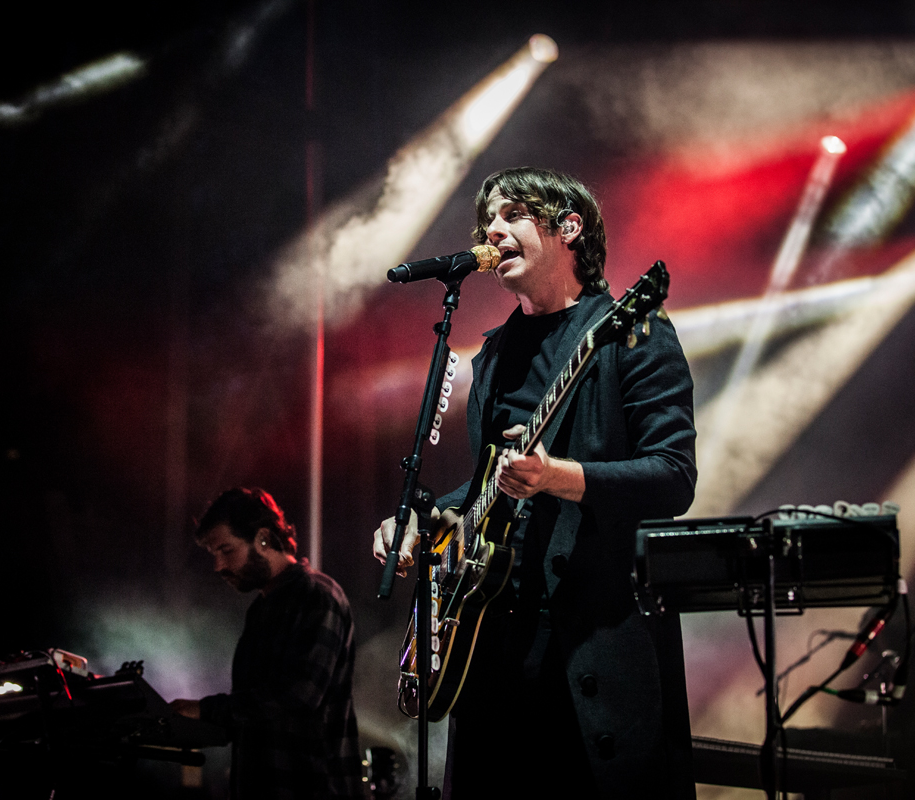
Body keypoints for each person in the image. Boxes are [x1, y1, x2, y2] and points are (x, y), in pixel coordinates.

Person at [373, 167, 698, 798]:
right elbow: (487, 488)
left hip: (589, 645)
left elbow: (672, 478)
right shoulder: (493, 353)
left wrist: (559, 477)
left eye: (513, 214)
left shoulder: (632, 331)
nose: (491, 230)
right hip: (490, 646)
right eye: (486, 220)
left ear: (568, 227)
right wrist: (426, 518)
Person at [173, 487, 366, 799]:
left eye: (226, 550)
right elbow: (257, 712)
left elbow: (299, 698)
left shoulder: (317, 596)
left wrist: (206, 710)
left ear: (263, 539)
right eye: (214, 555)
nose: (219, 566)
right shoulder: (263, 608)